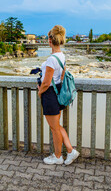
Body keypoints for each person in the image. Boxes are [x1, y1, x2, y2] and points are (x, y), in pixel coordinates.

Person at [37, 25, 80, 165]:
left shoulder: (51, 59)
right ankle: (70, 151)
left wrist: (39, 92)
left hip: (50, 95)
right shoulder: (62, 56)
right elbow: (62, 75)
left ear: (50, 40)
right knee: (57, 125)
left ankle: (57, 156)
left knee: (54, 128)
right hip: (58, 92)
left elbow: (46, 82)